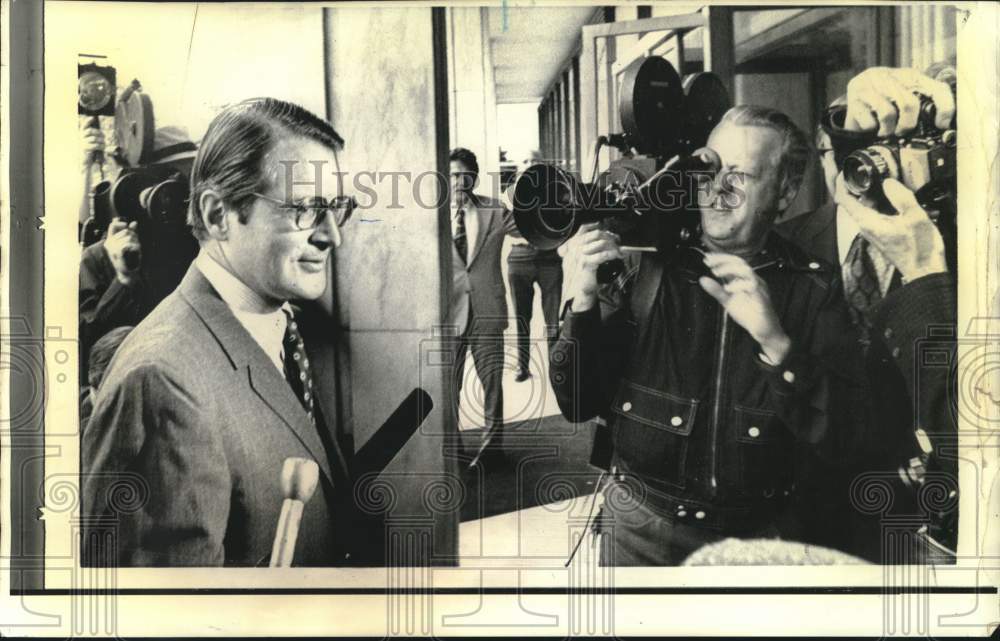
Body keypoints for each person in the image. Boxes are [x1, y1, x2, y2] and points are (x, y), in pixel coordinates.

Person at [549, 105, 862, 566]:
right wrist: (582, 304)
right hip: (639, 530)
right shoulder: (642, 266)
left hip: (756, 543)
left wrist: (776, 343)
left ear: (785, 191)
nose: (718, 188)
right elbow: (576, 401)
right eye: (708, 167)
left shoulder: (813, 288)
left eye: (740, 176)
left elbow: (842, 436)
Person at [82, 97, 364, 567]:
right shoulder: (161, 384)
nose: (331, 235)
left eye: (336, 208)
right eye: (305, 209)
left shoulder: (276, 327)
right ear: (217, 216)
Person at [779, 65, 958, 562]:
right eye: (841, 151)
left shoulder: (950, 248)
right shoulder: (785, 245)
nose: (862, 169)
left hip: (918, 513)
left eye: (882, 153)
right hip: (814, 515)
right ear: (820, 154)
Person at [78, 125, 200, 386]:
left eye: (189, 178)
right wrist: (123, 279)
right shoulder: (98, 259)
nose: (182, 194)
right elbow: (84, 354)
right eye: (172, 178)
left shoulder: (199, 246)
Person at [448, 147, 519, 461]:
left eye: (465, 174)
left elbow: (530, 227)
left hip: (487, 311)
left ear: (474, 178)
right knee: (449, 387)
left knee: (491, 384)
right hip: (448, 313)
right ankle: (452, 448)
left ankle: (493, 449)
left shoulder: (495, 210)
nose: (459, 181)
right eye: (452, 175)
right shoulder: (429, 216)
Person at [505, 150, 564, 382]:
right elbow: (508, 225)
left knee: (552, 318)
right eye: (525, 161)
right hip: (519, 260)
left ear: (542, 164)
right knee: (521, 317)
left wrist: (537, 231)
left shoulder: (554, 191)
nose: (530, 165)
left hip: (549, 260)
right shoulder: (509, 195)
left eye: (535, 161)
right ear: (518, 168)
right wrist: (540, 231)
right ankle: (523, 366)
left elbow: (563, 222)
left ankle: (555, 367)